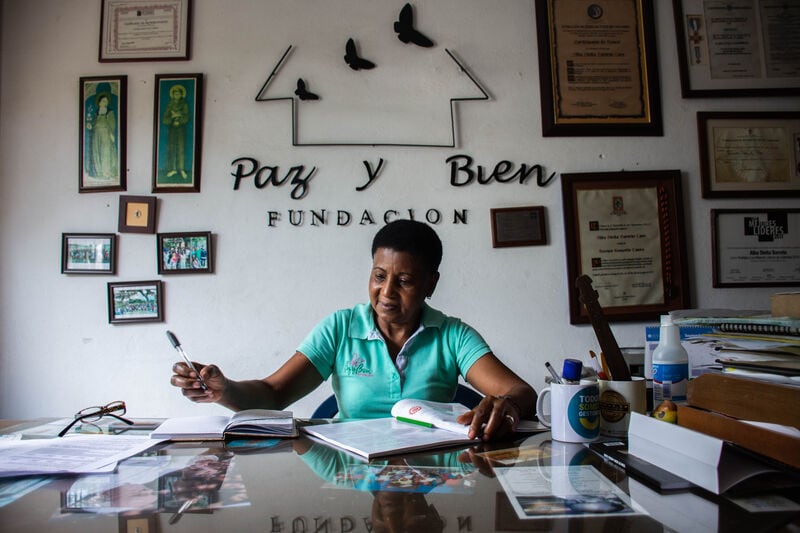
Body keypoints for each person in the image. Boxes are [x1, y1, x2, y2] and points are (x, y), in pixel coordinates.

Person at [171, 219, 537, 441]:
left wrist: (506, 405)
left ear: (431, 284)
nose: (386, 292)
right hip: (354, 471)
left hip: (431, 472)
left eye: (405, 280)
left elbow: (522, 392)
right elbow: (273, 393)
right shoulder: (340, 328)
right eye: (379, 276)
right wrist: (225, 390)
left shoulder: (452, 336)